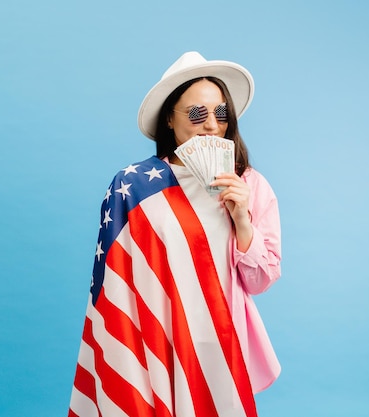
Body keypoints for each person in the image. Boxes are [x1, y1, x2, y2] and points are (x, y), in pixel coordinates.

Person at [68, 51, 282, 417]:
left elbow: (260, 280)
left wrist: (242, 220)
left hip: (221, 338)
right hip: (156, 338)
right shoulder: (134, 188)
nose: (212, 125)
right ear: (170, 118)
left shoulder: (250, 185)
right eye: (197, 113)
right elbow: (116, 286)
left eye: (221, 113)